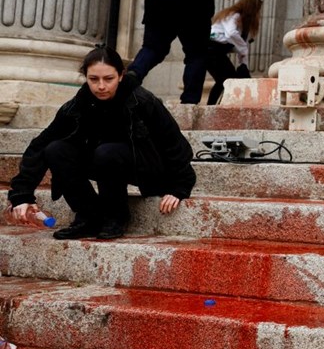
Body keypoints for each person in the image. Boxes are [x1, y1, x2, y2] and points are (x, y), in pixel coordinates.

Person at [6, 47, 196, 240]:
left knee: (107, 152)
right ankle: (89, 217)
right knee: (56, 149)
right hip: (103, 161)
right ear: (86, 77)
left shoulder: (142, 100)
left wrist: (179, 188)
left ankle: (116, 217)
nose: (101, 86)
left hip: (144, 165)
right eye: (94, 79)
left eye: (108, 79)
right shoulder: (80, 103)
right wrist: (22, 196)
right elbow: (41, 143)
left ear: (121, 76)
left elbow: (173, 142)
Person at [205, 0, 262, 105]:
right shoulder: (234, 15)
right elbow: (231, 33)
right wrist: (243, 48)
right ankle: (211, 106)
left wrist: (244, 64)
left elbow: (243, 49)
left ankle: (214, 105)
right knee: (226, 79)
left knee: (226, 80)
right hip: (211, 49)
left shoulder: (243, 26)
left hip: (217, 51)